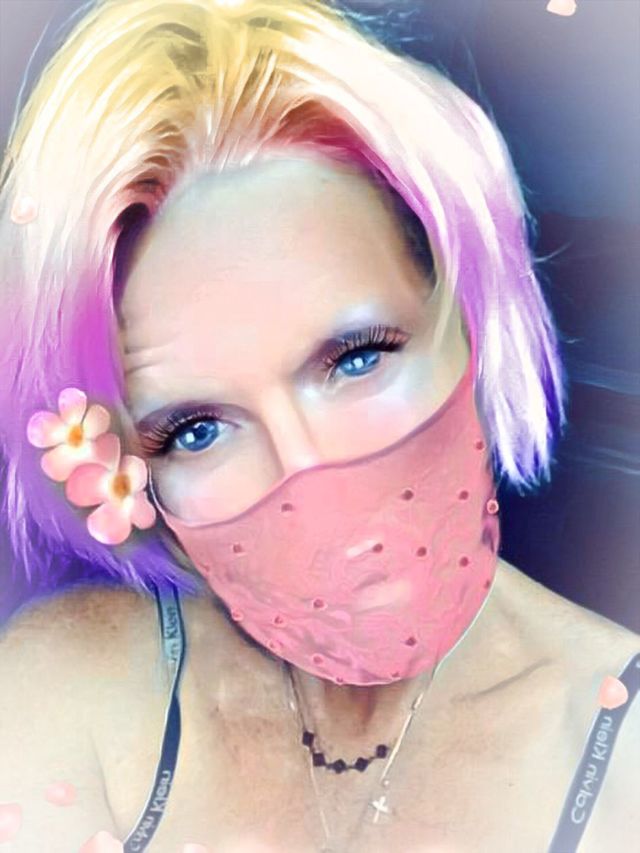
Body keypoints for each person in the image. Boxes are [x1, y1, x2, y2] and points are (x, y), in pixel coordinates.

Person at [0, 1, 637, 851]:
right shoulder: (63, 692)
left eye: (357, 358)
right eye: (196, 429)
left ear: (470, 314)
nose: (309, 477)